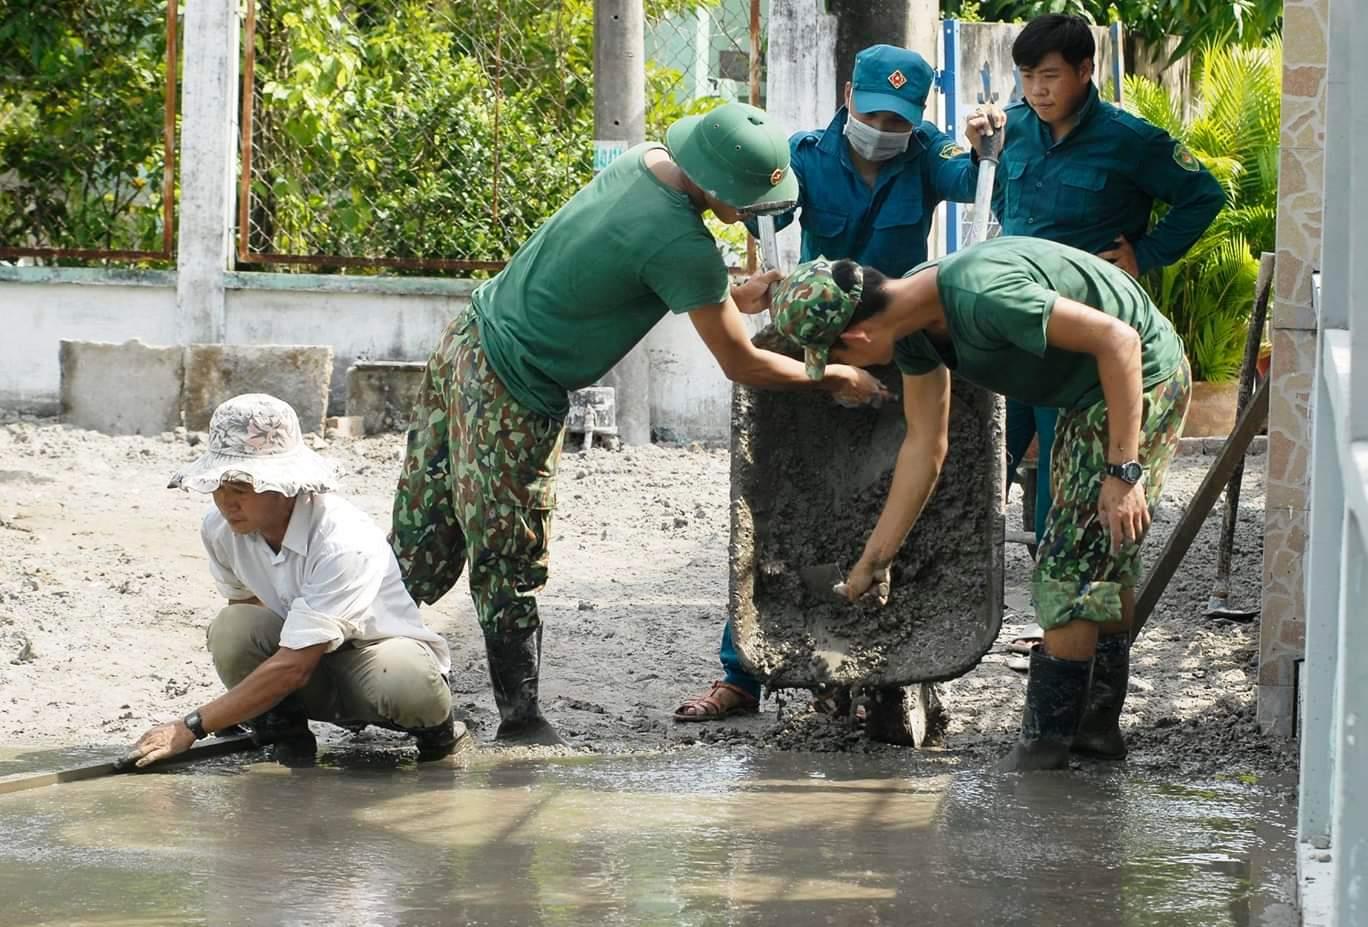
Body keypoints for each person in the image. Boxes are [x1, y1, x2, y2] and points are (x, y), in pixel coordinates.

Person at [391, 101, 891, 748]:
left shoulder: (647, 162)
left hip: (465, 342)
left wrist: (732, 294)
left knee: (420, 542)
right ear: (716, 183)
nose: (751, 215)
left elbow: (640, 275)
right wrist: (835, 377)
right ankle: (521, 722)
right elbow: (740, 360)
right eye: (746, 200)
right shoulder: (681, 243)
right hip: (511, 386)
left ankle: (330, 663)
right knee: (506, 554)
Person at [674, 44, 1005, 730]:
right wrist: (755, 284)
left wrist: (987, 141)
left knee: (901, 493)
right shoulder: (802, 155)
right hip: (818, 349)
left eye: (901, 118)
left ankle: (903, 664)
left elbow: (977, 179)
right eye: (875, 112)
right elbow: (756, 211)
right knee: (779, 503)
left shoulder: (929, 154)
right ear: (847, 95)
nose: (886, 128)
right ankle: (744, 670)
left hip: (901, 340)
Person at [770, 235, 1192, 770]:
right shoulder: (914, 323)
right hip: (1088, 395)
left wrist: (1122, 470)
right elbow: (925, 444)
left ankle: (1046, 750)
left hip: (1141, 377)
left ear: (857, 332)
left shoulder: (981, 293)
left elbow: (1121, 341)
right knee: (1098, 553)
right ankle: (1094, 730)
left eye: (834, 355)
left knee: (1066, 565)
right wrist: (875, 561)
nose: (838, 369)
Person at [988, 13, 1222, 544]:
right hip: (1010, 319)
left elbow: (1204, 195)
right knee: (986, 447)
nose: (1037, 90)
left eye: (1049, 76)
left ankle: (1062, 595)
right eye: (1027, 76)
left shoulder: (1129, 140)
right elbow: (1000, 194)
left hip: (1080, 328)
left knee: (1063, 458)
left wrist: (1146, 254)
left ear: (1085, 70)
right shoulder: (1014, 128)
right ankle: (964, 579)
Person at [129, 394, 458, 768]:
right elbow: (249, 608)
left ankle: (439, 736)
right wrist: (240, 704)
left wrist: (192, 725)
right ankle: (283, 733)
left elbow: (295, 666)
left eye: (241, 490)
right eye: (218, 488)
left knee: (405, 677)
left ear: (288, 486)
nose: (226, 503)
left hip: (373, 663)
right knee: (232, 628)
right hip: (304, 666)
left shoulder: (343, 540)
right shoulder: (221, 529)